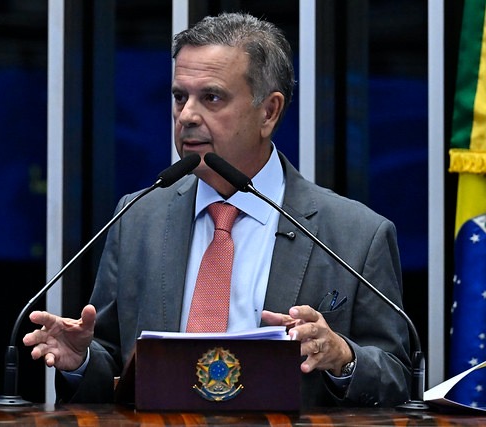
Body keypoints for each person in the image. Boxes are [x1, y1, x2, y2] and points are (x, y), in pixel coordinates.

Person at [23, 12, 411, 408]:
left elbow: (397, 377)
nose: (187, 115)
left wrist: (342, 357)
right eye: (180, 97)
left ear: (268, 112)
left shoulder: (356, 234)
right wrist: (82, 361)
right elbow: (114, 364)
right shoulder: (138, 217)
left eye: (211, 97)